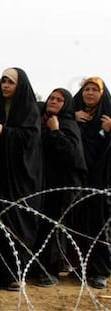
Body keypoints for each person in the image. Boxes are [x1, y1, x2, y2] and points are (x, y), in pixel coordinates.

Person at [0, 67, 43, 291]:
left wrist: (5, 132)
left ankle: (18, 274)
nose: (6, 86)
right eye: (4, 82)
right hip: (0, 176)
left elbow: (30, 138)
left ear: (20, 85)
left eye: (11, 82)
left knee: (18, 224)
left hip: (22, 179)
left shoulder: (29, 109)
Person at [34, 88, 87, 287]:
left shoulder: (67, 125)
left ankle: (51, 271)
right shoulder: (43, 120)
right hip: (46, 183)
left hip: (64, 186)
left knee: (54, 227)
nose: (53, 101)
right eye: (51, 98)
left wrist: (56, 131)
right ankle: (39, 267)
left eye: (59, 100)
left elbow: (73, 155)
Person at [73, 77, 111, 289]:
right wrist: (72, 117)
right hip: (79, 179)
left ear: (102, 93)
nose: (89, 93)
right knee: (80, 224)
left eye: (94, 90)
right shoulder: (76, 114)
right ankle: (82, 267)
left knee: (100, 224)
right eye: (86, 89)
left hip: (102, 180)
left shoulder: (107, 117)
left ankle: (101, 271)